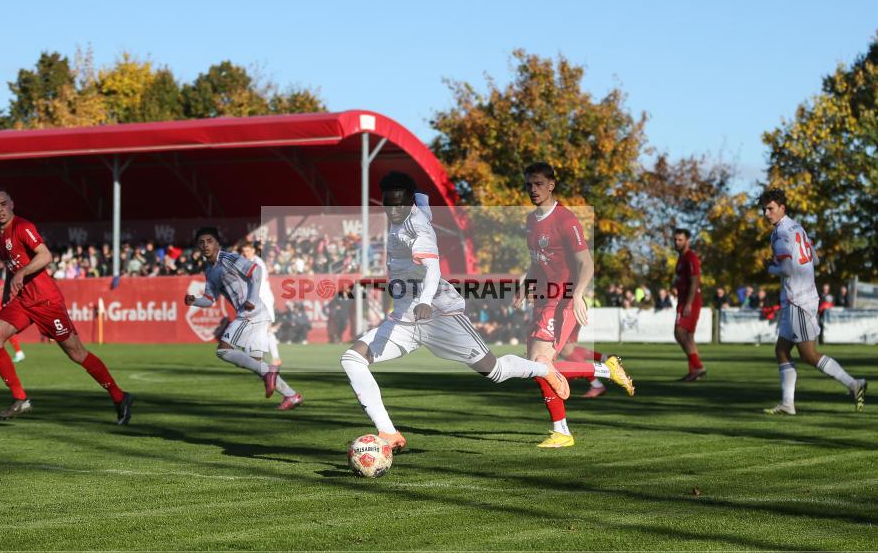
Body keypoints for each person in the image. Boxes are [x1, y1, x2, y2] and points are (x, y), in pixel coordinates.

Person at [340, 171, 577, 453]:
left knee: (495, 371)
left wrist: (426, 300)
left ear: (409, 203)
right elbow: (420, 201)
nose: (394, 211)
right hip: (404, 320)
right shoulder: (407, 212)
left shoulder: (418, 227)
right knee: (352, 359)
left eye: (399, 205)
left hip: (440, 316)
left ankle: (543, 368)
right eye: (388, 204)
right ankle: (388, 433)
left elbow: (432, 268)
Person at [0, 188, 133, 423]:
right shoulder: (1, 238)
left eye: (3, 204)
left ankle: (120, 396)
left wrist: (22, 272)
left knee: (76, 353)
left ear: (12, 204)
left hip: (46, 301)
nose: (0, 209)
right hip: (22, 301)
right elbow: (10, 270)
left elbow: (45, 256)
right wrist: (6, 295)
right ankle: (20, 399)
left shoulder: (23, 227)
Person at [515, 162, 634, 447]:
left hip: (563, 300)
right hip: (543, 300)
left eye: (539, 184)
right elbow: (536, 261)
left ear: (551, 185)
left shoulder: (566, 220)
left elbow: (586, 263)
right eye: (529, 184)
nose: (533, 189)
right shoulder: (531, 221)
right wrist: (525, 283)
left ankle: (567, 425)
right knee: (536, 367)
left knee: (541, 364)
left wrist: (578, 294)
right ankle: (601, 375)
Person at [758, 189, 867, 415]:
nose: (766, 213)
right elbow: (815, 259)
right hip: (800, 297)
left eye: (770, 208)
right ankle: (788, 403)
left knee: (809, 355)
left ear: (782, 208)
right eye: (764, 209)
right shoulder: (797, 227)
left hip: (797, 299)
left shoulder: (780, 234)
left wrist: (769, 267)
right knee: (781, 350)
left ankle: (854, 384)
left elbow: (787, 269)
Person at [184, 228, 295, 404]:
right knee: (258, 364)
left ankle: (271, 374)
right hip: (254, 312)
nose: (205, 245)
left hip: (251, 311)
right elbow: (209, 299)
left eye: (209, 241)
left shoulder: (228, 258)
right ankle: (291, 395)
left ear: (218, 243)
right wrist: (195, 301)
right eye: (201, 242)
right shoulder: (210, 271)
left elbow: (256, 271)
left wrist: (251, 298)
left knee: (223, 349)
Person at [239, 241, 301, 410]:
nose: (245, 252)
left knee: (252, 351)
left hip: (261, 305)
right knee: (253, 348)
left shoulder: (256, 264)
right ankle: (285, 387)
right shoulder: (250, 263)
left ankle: (286, 389)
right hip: (258, 306)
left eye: (247, 249)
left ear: (253, 250)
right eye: (243, 250)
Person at [672, 228, 706, 381]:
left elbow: (694, 281)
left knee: (679, 332)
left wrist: (688, 304)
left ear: (687, 241)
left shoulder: (690, 258)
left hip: (690, 301)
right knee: (688, 336)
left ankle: (698, 366)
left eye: (680, 240)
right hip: (684, 299)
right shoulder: (681, 258)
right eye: (675, 239)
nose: (677, 242)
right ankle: (694, 372)